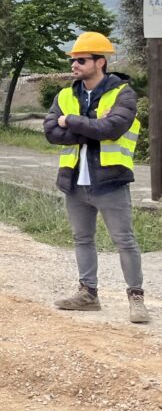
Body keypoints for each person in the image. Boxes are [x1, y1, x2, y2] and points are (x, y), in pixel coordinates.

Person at [44, 32, 148, 324]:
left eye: (81, 60)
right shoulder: (65, 95)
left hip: (110, 181)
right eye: (73, 60)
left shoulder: (122, 93)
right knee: (82, 239)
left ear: (100, 62)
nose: (74, 65)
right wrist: (91, 126)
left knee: (124, 240)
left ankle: (136, 298)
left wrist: (73, 121)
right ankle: (88, 294)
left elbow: (112, 128)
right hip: (75, 181)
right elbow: (52, 132)